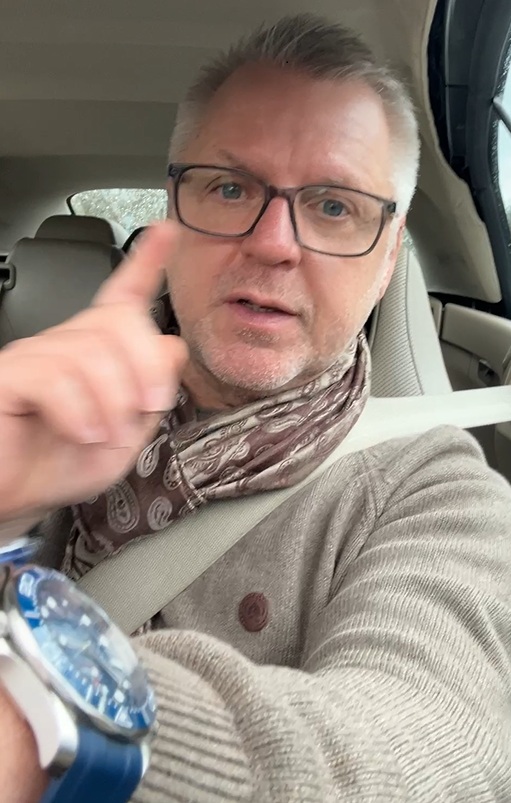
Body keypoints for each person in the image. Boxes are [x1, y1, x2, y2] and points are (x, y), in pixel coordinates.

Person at [0, 13, 511, 803]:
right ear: (174, 214)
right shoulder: (35, 407)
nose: (274, 243)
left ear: (387, 255)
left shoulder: (437, 493)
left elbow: (425, 743)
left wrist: (47, 728)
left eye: (333, 206)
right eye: (230, 187)